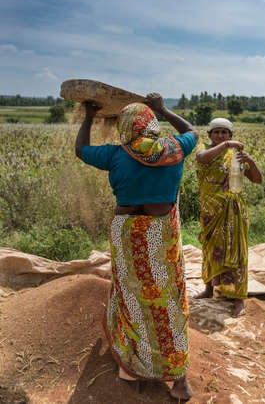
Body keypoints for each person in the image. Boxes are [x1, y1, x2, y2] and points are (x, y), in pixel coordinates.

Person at [75, 92, 198, 400]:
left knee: (131, 298)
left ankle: (132, 369)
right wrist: (163, 109)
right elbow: (193, 133)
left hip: (128, 235)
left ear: (125, 126)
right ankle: (179, 379)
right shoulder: (173, 149)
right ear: (151, 124)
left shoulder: (116, 154)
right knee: (170, 301)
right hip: (160, 236)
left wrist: (89, 116)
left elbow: (81, 150)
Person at [195, 118, 262, 318]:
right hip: (210, 211)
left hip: (232, 211)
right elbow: (201, 159)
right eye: (216, 132)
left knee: (236, 252)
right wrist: (226, 145)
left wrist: (250, 161)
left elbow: (257, 180)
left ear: (230, 135)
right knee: (209, 249)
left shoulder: (237, 156)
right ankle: (209, 289)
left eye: (225, 133)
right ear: (210, 135)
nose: (220, 136)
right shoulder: (203, 150)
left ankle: (238, 299)